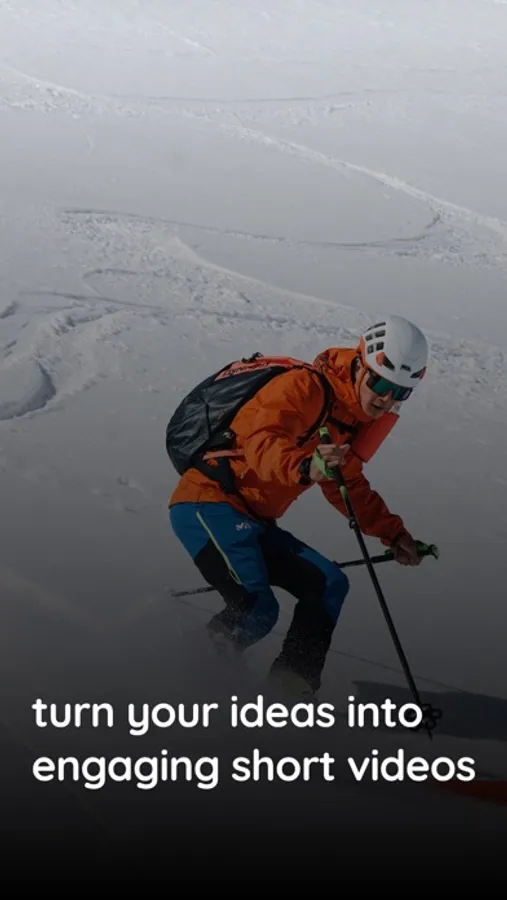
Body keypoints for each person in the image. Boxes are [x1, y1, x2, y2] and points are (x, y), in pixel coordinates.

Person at [168, 315, 428, 697]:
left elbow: (349, 485)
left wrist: (394, 534)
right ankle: (187, 681)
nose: (385, 399)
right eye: (380, 384)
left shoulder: (352, 422)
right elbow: (262, 439)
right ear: (360, 364)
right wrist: (305, 466)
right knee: (257, 608)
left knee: (328, 583)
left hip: (254, 519)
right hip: (208, 502)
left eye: (400, 392)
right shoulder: (305, 386)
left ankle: (290, 690)